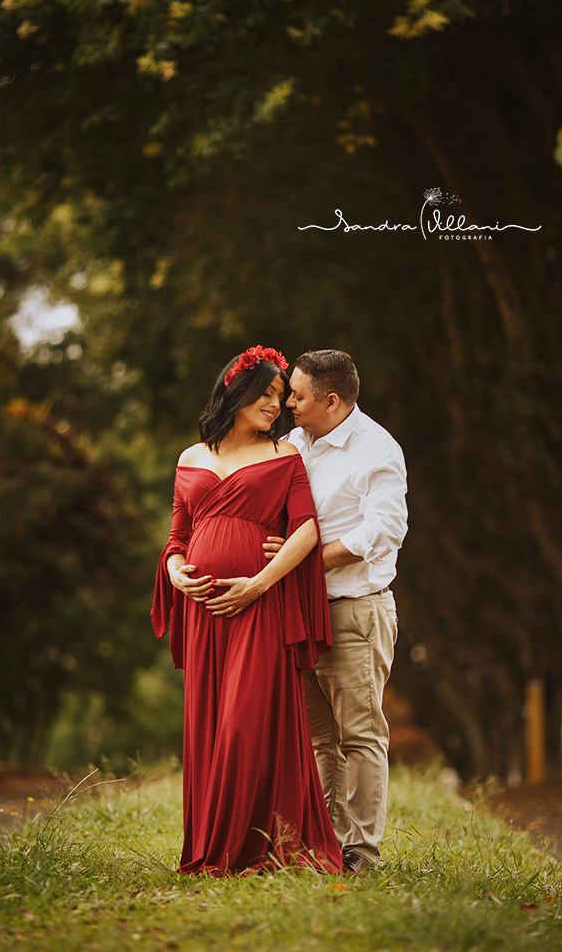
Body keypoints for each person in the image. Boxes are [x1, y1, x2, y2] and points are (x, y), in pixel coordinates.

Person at [151, 345, 343, 875]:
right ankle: (216, 846)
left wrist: (259, 583)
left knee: (243, 723)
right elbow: (176, 538)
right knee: (213, 727)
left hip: (259, 606)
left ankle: (251, 847)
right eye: (267, 392)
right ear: (235, 390)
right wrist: (174, 573)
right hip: (205, 611)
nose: (276, 405)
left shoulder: (285, 456)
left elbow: (306, 528)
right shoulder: (190, 459)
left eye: (282, 397)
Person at [266, 349, 408, 873]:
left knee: (360, 735)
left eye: (297, 396)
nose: (288, 403)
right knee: (320, 738)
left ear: (331, 400)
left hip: (354, 610)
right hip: (303, 613)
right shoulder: (296, 441)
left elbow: (383, 530)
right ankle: (328, 843)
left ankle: (362, 851)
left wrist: (303, 562)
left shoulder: (378, 450)